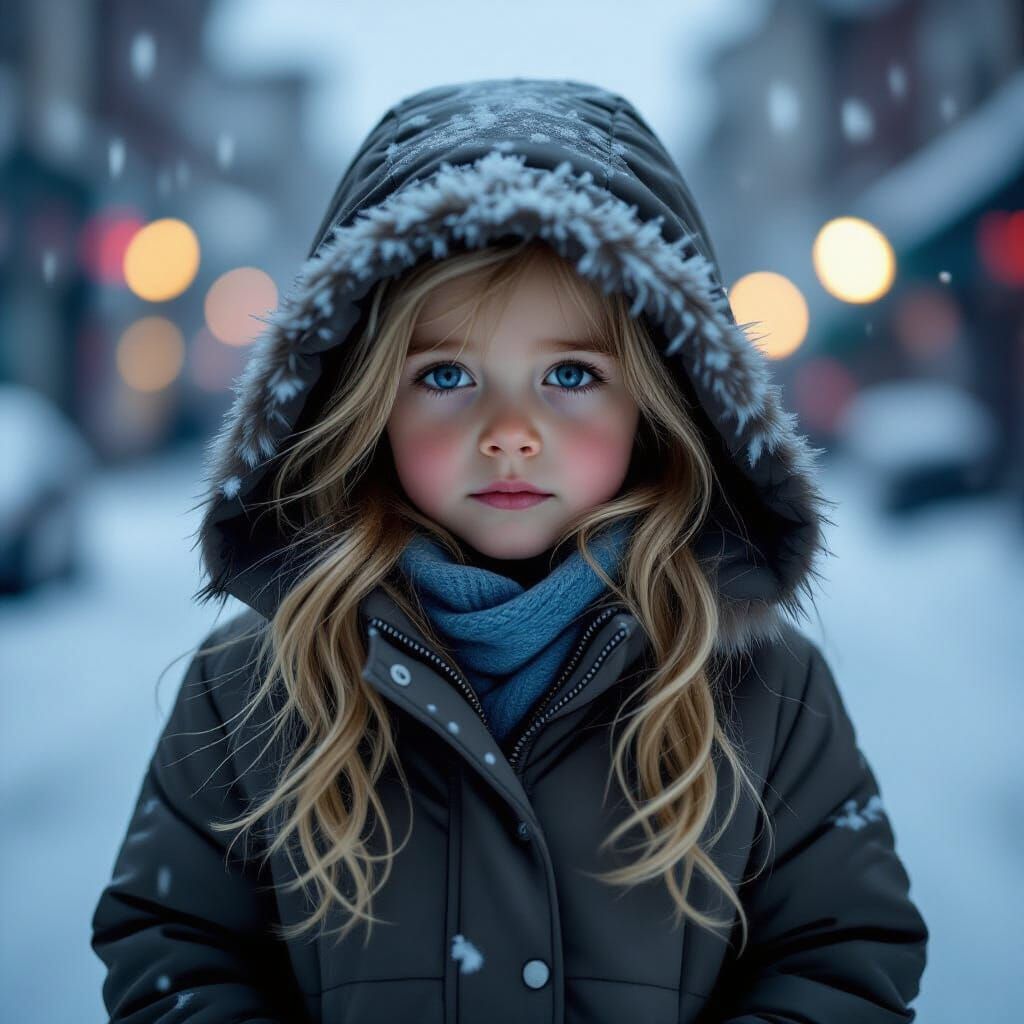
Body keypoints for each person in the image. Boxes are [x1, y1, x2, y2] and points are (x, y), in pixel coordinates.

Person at [91, 77, 929, 1023]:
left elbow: (841, 958)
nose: (511, 431)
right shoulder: (253, 686)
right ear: (362, 402)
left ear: (660, 402)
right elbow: (175, 952)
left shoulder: (760, 688)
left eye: (570, 373)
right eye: (446, 374)